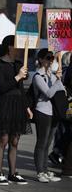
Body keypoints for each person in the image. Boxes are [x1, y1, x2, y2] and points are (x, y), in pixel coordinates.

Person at [0, 35, 32, 186]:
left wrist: (27, 106)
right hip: (4, 104)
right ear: (9, 47)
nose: (19, 49)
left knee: (15, 140)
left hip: (18, 104)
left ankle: (13, 172)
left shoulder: (19, 63)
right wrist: (17, 76)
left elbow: (21, 88)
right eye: (17, 45)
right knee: (3, 139)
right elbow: (2, 86)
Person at [32, 49, 64, 183]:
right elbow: (49, 93)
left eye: (51, 58)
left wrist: (57, 78)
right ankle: (40, 172)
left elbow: (60, 89)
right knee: (41, 142)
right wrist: (57, 81)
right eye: (47, 58)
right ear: (40, 59)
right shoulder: (38, 76)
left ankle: (45, 170)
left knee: (48, 143)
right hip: (42, 111)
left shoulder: (50, 74)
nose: (50, 60)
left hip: (53, 112)